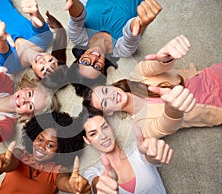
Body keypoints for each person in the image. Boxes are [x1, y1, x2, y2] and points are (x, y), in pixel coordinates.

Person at [83, 35, 222, 138]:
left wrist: (165, 57)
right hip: (217, 108)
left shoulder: (138, 74)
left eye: (106, 90)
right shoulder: (143, 127)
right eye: (105, 102)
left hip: (212, 75)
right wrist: (172, 109)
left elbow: (156, 65)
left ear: (112, 86)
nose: (111, 96)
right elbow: (166, 125)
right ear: (108, 112)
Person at [0, 112, 92, 194]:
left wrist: (73, 186)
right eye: (40, 139)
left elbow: (65, 182)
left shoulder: (56, 171)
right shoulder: (20, 155)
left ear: (60, 150)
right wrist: (2, 163)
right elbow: (9, 162)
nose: (41, 146)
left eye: (50, 145)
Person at [61, 0, 162, 93]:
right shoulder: (122, 50)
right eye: (96, 66)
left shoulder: (77, 37)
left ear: (79, 59)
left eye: (85, 62)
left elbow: (77, 17)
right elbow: (130, 33)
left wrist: (73, 3)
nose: (94, 58)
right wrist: (139, 23)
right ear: (103, 68)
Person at [80, 111, 173, 194]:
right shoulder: (92, 172)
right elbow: (94, 185)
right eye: (93, 134)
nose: (103, 136)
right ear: (87, 140)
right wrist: (102, 185)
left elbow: (151, 157)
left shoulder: (137, 150)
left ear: (111, 127)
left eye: (104, 127)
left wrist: (154, 152)